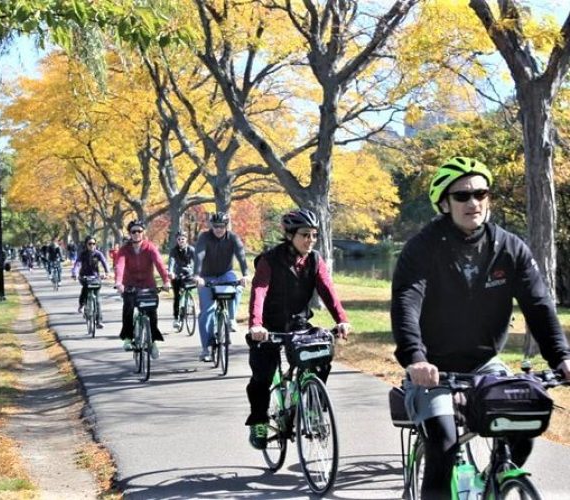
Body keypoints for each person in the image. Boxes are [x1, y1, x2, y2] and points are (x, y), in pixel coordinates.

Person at [391, 156, 570, 500]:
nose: (473, 202)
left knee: (522, 428)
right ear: (444, 203)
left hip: (484, 363)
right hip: (433, 366)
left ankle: (496, 485)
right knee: (443, 444)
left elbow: (538, 305)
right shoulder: (422, 248)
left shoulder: (509, 247)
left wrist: (561, 356)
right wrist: (415, 358)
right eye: (461, 196)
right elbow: (406, 302)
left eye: (480, 193)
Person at [244, 208, 352, 449]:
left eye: (314, 235)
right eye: (305, 235)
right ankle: (259, 421)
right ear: (289, 234)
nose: (310, 240)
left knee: (321, 359)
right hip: (269, 328)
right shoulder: (269, 260)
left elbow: (328, 291)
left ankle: (313, 408)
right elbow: (259, 291)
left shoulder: (315, 260)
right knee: (262, 376)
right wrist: (256, 325)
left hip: (299, 325)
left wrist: (341, 319)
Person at [193, 212, 249, 362]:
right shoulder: (204, 237)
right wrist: (197, 276)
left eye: (222, 226)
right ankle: (206, 348)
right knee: (207, 311)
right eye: (216, 226)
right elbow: (199, 255)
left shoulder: (233, 238)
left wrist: (245, 274)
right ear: (212, 226)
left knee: (237, 287)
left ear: (226, 226)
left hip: (226, 273)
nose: (218, 229)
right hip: (206, 276)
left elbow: (241, 256)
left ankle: (231, 318)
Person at [115, 220, 171, 359]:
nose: (136, 234)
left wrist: (166, 281)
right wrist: (119, 283)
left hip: (148, 284)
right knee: (128, 307)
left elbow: (159, 263)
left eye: (139, 231)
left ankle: (152, 342)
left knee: (152, 313)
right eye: (133, 231)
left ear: (143, 232)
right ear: (130, 233)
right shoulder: (124, 250)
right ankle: (128, 337)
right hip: (130, 285)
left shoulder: (150, 247)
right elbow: (119, 266)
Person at [71, 236, 109, 328]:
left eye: (93, 244)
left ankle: (99, 321)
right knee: (85, 289)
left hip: (95, 277)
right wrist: (75, 273)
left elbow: (104, 262)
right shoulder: (82, 254)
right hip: (84, 276)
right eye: (89, 244)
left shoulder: (98, 254)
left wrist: (107, 272)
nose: (92, 245)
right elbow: (77, 264)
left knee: (98, 300)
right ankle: (82, 304)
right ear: (86, 245)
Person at [168, 231, 196, 330]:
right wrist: (171, 272)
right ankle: (176, 318)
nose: (181, 241)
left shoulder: (191, 250)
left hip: (189, 274)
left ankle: (188, 302)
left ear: (186, 239)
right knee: (177, 297)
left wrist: (198, 273)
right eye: (179, 239)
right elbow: (171, 261)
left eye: (183, 239)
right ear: (177, 240)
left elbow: (197, 262)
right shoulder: (173, 251)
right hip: (177, 274)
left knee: (189, 287)